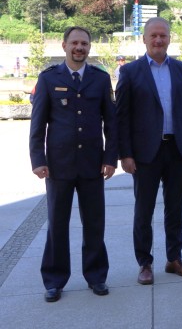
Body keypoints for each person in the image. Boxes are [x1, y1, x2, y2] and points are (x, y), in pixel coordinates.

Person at [29, 27, 117, 302]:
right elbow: (38, 124)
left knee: (94, 224)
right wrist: (38, 160)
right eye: (75, 43)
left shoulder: (100, 79)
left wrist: (110, 158)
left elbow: (111, 124)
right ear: (64, 45)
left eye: (84, 43)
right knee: (57, 225)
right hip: (58, 165)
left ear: (89, 47)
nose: (80, 47)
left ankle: (96, 276)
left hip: (92, 164)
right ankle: (54, 280)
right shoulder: (48, 78)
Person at [116, 17, 182, 285]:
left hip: (177, 149)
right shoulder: (130, 72)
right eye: (153, 35)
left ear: (169, 39)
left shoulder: (181, 69)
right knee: (144, 210)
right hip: (145, 153)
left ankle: (174, 258)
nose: (158, 40)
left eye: (162, 36)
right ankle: (145, 263)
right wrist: (125, 154)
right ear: (144, 39)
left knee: (175, 209)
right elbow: (122, 117)